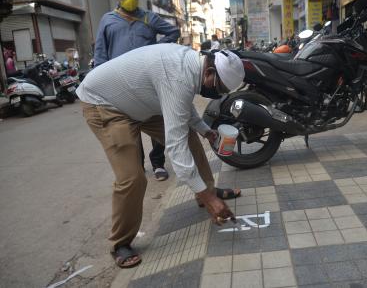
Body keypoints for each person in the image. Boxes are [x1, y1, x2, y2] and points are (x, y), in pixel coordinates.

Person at [76, 43, 244, 268]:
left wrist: (205, 130)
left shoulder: (193, 66)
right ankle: (120, 243)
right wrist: (210, 200)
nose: (219, 94)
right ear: (210, 72)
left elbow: (181, 104)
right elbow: (175, 148)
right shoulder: (178, 76)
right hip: (106, 104)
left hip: (142, 102)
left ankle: (206, 191)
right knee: (132, 177)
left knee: (190, 138)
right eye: (220, 89)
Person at [94, 0, 180, 181]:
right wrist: (100, 83)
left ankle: (158, 162)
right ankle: (138, 166)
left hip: (149, 82)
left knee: (157, 121)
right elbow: (100, 53)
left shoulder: (149, 18)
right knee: (130, 127)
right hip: (120, 84)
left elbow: (174, 32)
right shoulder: (108, 20)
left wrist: (155, 48)